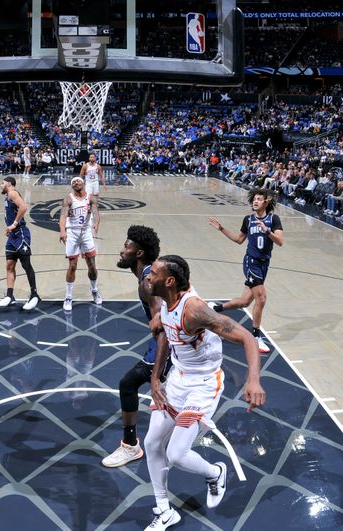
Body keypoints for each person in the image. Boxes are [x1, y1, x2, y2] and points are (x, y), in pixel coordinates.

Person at [144, 255, 265, 530]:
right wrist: (155, 379)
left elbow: (246, 337)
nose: (149, 277)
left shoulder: (195, 309)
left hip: (204, 384)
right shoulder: (165, 297)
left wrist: (253, 380)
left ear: (170, 281)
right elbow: (165, 333)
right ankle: (164, 511)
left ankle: (215, 473)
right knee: (151, 444)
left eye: (155, 274)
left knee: (175, 454)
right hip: (177, 380)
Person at [102, 225, 163, 468]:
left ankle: (130, 446)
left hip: (175, 341)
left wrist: (156, 375)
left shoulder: (148, 282)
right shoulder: (147, 273)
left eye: (127, 247)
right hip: (178, 338)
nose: (121, 251)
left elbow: (161, 326)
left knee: (128, 384)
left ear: (139, 254)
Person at [208, 188, 283, 354]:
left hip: (264, 265)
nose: (255, 201)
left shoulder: (273, 219)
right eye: (254, 199)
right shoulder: (248, 219)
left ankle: (214, 309)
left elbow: (280, 242)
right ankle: (255, 337)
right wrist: (221, 229)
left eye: (258, 199)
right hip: (251, 262)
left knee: (244, 302)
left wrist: (267, 231)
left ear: (266, 202)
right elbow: (238, 239)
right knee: (261, 299)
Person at [0, 177, 40, 310]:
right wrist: (9, 228)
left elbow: (24, 207)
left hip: (21, 234)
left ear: (9, 183)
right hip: (12, 235)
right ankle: (10, 296)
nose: (0, 185)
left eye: (2, 183)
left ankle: (35, 295)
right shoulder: (8, 195)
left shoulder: (13, 193)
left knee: (26, 264)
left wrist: (14, 224)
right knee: (9, 265)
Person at [59, 175, 101, 312]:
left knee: (92, 265)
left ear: (83, 183)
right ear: (72, 186)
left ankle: (94, 289)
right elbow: (63, 216)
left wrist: (96, 223)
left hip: (86, 232)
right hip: (72, 232)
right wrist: (62, 231)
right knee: (72, 265)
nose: (76, 182)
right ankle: (68, 296)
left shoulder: (91, 197)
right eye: (74, 182)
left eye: (78, 181)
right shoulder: (68, 198)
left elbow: (95, 212)